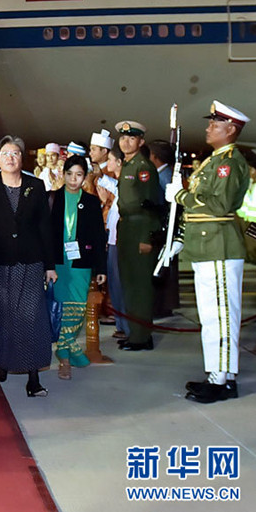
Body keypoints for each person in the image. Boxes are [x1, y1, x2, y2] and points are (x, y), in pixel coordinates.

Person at [164, 100, 250, 404]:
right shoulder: (213, 162)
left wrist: (182, 195)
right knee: (211, 317)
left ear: (230, 129)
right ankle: (217, 373)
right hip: (206, 248)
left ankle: (223, 380)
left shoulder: (228, 163)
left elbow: (219, 206)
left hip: (220, 247)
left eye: (215, 124)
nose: (208, 127)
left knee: (223, 317)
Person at [0, 135, 56, 398]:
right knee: (0, 316)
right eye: (5, 153)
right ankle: (2, 365)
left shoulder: (36, 186)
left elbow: (45, 228)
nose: (10, 158)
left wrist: (49, 265)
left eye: (15, 153)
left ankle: (33, 376)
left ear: (22, 158)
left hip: (30, 262)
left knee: (30, 318)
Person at [49, 156, 107, 380]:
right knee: (61, 309)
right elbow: (43, 235)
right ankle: (65, 355)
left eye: (79, 175)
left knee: (77, 309)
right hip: (57, 264)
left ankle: (68, 347)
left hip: (81, 263)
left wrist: (101, 267)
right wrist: (46, 264)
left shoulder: (91, 202)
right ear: (63, 174)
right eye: (70, 174)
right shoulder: (52, 199)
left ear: (85, 176)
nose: (74, 179)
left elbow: (98, 237)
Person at [115, 121, 161, 351]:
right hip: (127, 229)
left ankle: (141, 337)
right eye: (123, 138)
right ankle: (136, 333)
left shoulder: (144, 168)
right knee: (129, 283)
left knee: (140, 286)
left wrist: (147, 237)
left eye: (131, 138)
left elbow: (151, 205)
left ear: (141, 142)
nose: (126, 142)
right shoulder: (128, 165)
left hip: (139, 229)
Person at [96, 145, 128, 340]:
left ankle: (127, 327)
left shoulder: (126, 184)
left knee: (121, 286)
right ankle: (121, 324)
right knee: (115, 286)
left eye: (110, 160)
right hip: (113, 239)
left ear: (118, 162)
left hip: (121, 241)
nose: (108, 164)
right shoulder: (120, 184)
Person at [149, 139, 180, 318]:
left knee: (164, 267)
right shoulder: (166, 173)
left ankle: (163, 306)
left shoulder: (163, 176)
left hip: (166, 229)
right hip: (166, 228)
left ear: (155, 157)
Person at [236, 154, 256, 264]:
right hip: (249, 217)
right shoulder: (251, 183)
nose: (249, 172)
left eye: (251, 170)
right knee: (250, 241)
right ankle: (252, 257)